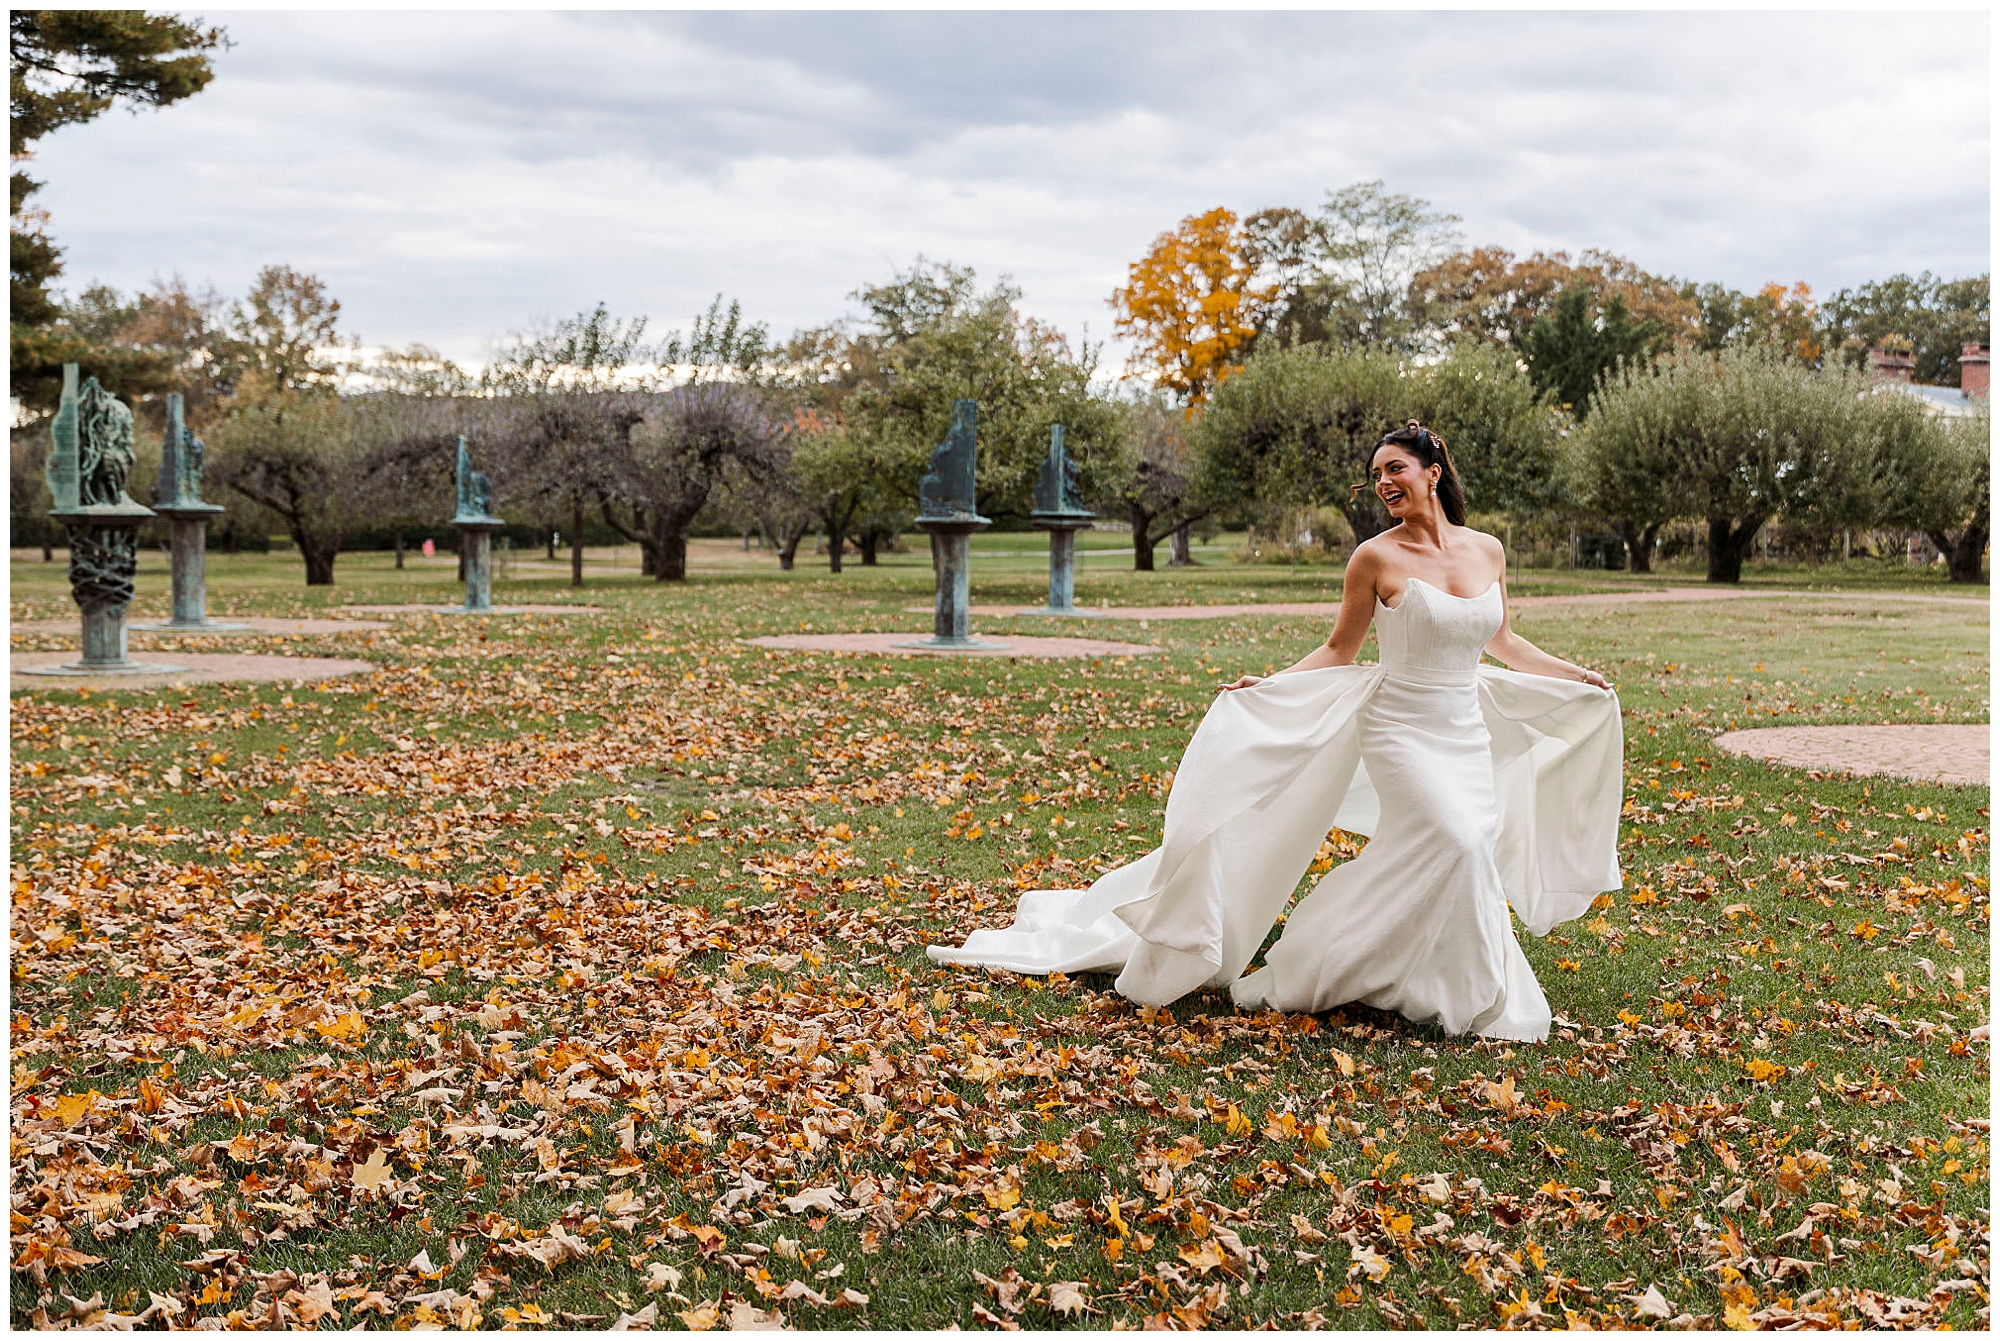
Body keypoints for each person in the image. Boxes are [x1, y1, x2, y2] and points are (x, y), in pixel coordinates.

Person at [927, 421, 1623, 1042]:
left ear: (1433, 471)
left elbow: (1504, 639)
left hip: (1463, 729)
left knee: (1444, 852)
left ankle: (1391, 972)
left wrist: (1573, 675)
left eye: (1396, 469)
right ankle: (1425, 984)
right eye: (1376, 474)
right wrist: (1272, 684)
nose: (1384, 482)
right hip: (1401, 728)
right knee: (1459, 840)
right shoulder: (1374, 559)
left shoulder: (1488, 551)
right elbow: (1338, 650)